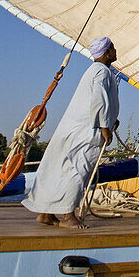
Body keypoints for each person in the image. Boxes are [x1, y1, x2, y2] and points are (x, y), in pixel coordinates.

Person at [23, 36, 119, 230]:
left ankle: (46, 213)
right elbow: (99, 100)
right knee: (78, 170)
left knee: (60, 169)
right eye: (113, 49)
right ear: (107, 52)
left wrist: (111, 119)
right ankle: (68, 216)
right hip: (86, 131)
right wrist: (105, 127)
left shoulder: (93, 71)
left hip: (73, 129)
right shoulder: (102, 72)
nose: (116, 52)